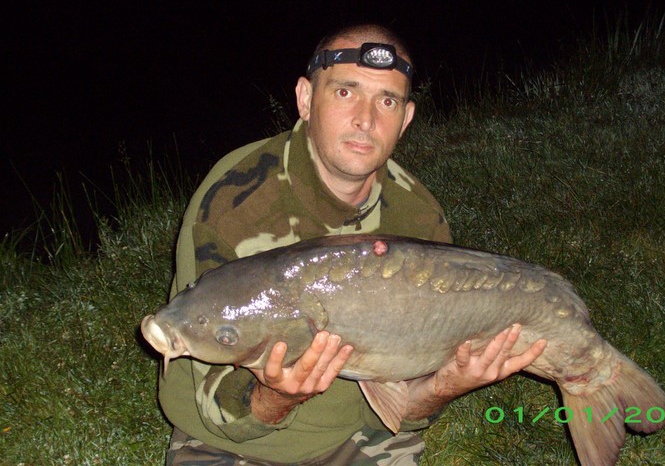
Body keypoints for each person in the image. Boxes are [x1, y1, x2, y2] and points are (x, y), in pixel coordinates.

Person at [157, 24, 546, 465]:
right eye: (346, 92)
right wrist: (277, 395)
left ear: (406, 119)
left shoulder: (418, 216)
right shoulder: (234, 199)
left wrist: (445, 385)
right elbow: (220, 411)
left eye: (387, 101)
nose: (366, 119)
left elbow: (402, 409)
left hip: (359, 434)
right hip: (229, 440)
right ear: (306, 99)